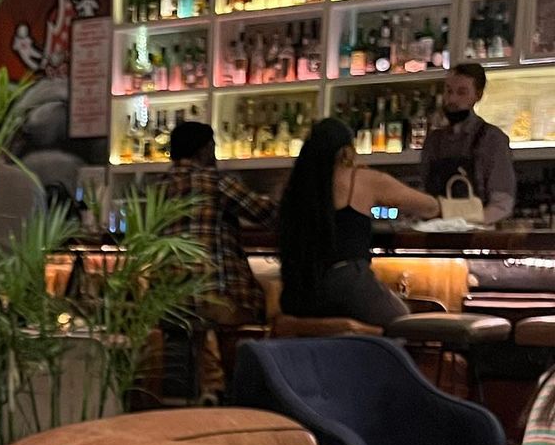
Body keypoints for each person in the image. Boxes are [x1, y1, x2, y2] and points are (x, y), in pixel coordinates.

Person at [279, 117, 441, 329]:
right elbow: (430, 207)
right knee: (403, 325)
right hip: (347, 282)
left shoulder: (293, 185)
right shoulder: (360, 178)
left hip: (297, 291)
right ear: (346, 152)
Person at [166, 120, 277, 329]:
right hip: (217, 301)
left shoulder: (157, 188)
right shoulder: (215, 181)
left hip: (167, 304)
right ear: (206, 149)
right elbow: (269, 215)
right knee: (276, 304)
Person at [421, 62, 516, 224]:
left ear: (478, 95)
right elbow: (424, 195)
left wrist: (464, 227)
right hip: (435, 232)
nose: (452, 99)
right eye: (448, 91)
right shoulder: (433, 141)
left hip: (477, 234)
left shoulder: (492, 139)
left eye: (461, 92)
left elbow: (502, 204)